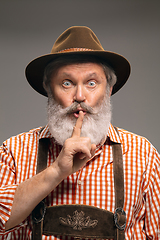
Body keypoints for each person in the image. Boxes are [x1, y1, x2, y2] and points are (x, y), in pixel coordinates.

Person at [0, 26, 159, 240]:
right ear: (48, 88)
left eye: (91, 83)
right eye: (67, 83)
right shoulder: (13, 151)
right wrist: (56, 171)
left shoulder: (144, 155)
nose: (80, 96)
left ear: (109, 89)